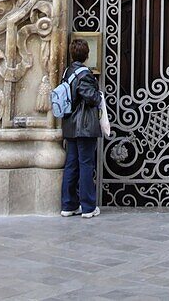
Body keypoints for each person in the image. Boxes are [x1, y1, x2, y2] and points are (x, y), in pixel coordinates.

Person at [60, 37, 105, 219]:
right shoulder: (84, 74)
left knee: (71, 164)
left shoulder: (67, 71)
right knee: (86, 165)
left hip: (71, 125)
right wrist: (98, 95)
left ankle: (68, 205)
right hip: (84, 126)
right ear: (87, 54)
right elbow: (90, 97)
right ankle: (88, 206)